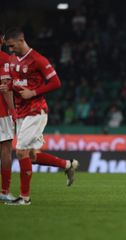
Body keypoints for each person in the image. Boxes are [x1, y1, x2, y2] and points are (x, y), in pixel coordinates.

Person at [0, 28, 79, 205]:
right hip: (21, 112)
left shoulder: (38, 59)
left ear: (21, 41)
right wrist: (8, 87)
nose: (10, 49)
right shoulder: (12, 60)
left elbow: (56, 82)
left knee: (20, 152)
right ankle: (68, 165)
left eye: (12, 46)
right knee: (32, 156)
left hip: (36, 110)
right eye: (8, 47)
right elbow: (17, 82)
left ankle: (24, 198)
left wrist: (34, 92)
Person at [0, 30, 16, 202]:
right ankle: (4, 191)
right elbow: (5, 88)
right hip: (1, 111)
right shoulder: (4, 58)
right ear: (2, 39)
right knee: (5, 149)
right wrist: (13, 111)